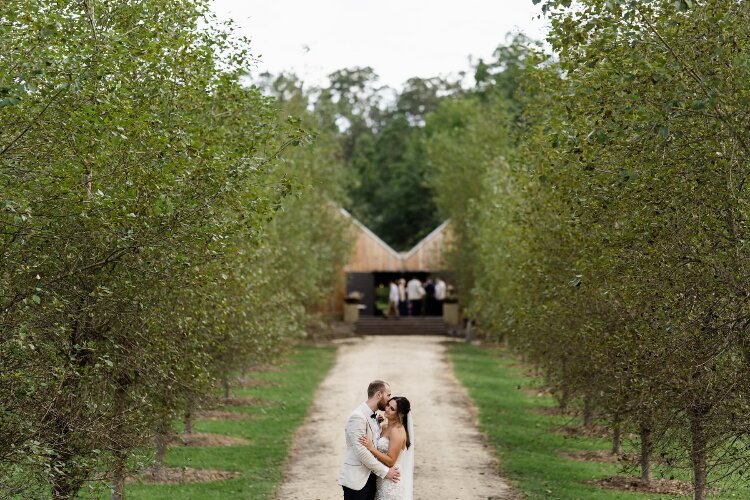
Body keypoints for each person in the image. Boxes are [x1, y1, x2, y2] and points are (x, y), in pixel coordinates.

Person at [338, 381, 401, 499]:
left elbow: (375, 444)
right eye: (388, 395)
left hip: (372, 479)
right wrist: (386, 472)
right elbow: (362, 452)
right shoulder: (357, 417)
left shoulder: (374, 416)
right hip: (357, 481)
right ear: (378, 395)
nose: (389, 400)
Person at [358, 396, 414, 500]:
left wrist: (371, 448)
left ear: (400, 414)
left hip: (390, 482)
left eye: (392, 409)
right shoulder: (384, 427)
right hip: (381, 477)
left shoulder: (397, 432)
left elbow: (391, 461)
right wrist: (376, 423)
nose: (387, 409)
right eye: (388, 405)